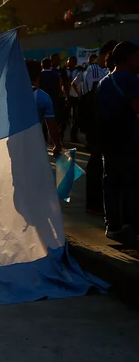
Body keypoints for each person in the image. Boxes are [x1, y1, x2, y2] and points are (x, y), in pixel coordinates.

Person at [96, 42, 139, 239]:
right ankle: (131, 225)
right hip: (129, 140)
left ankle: (112, 225)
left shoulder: (104, 81)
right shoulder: (131, 80)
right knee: (131, 183)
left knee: (111, 183)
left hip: (108, 140)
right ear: (128, 58)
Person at [81, 41, 117, 215]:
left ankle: (96, 203)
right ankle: (93, 203)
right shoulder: (96, 71)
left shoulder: (98, 71)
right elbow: (93, 98)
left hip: (97, 124)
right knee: (97, 163)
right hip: (96, 124)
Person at [26, 60, 63, 156]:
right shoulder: (43, 97)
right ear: (39, 76)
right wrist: (57, 145)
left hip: (13, 144)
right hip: (35, 143)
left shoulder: (9, 95)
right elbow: (51, 126)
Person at [64, 56, 81, 142]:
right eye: (69, 61)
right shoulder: (64, 72)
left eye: (73, 62)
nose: (70, 64)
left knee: (75, 117)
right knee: (64, 117)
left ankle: (73, 136)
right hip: (65, 96)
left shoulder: (78, 72)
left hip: (74, 97)